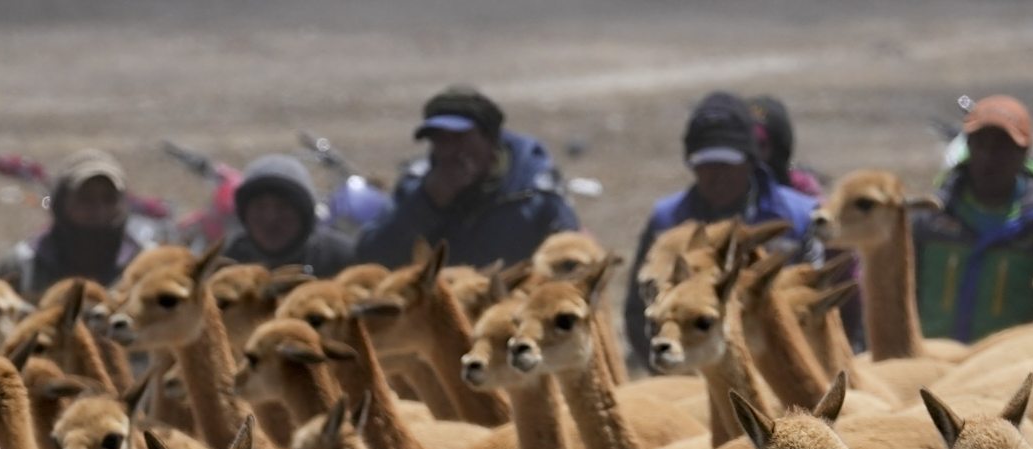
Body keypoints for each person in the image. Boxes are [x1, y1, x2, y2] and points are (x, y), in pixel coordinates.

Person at [622, 91, 823, 370]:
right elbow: (637, 310)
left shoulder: (800, 217)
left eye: (727, 163)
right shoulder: (667, 223)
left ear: (750, 161)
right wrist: (670, 377)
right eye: (705, 164)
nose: (716, 175)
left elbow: (824, 303)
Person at [355, 87, 579, 270]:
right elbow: (372, 258)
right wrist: (427, 204)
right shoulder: (416, 187)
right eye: (440, 140)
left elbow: (571, 260)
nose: (450, 151)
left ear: (490, 140)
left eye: (460, 138)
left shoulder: (532, 193)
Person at [911, 94, 1033, 344]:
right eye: (981, 143)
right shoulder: (930, 218)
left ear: (1024, 152)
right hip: (935, 364)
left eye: (1002, 146)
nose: (989, 156)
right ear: (968, 146)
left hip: (1003, 369)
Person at [0, 149, 150, 300]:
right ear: (61, 203)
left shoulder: (146, 264)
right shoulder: (23, 265)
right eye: (86, 199)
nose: (99, 210)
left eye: (109, 199)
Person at [223, 154, 355, 276]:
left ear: (304, 214)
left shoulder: (341, 260)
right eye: (260, 207)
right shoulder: (228, 265)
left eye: (283, 207)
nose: (271, 218)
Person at [747, 95, 826, 198]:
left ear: (778, 148)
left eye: (760, 145)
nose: (753, 152)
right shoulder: (729, 188)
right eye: (747, 144)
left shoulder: (801, 190)